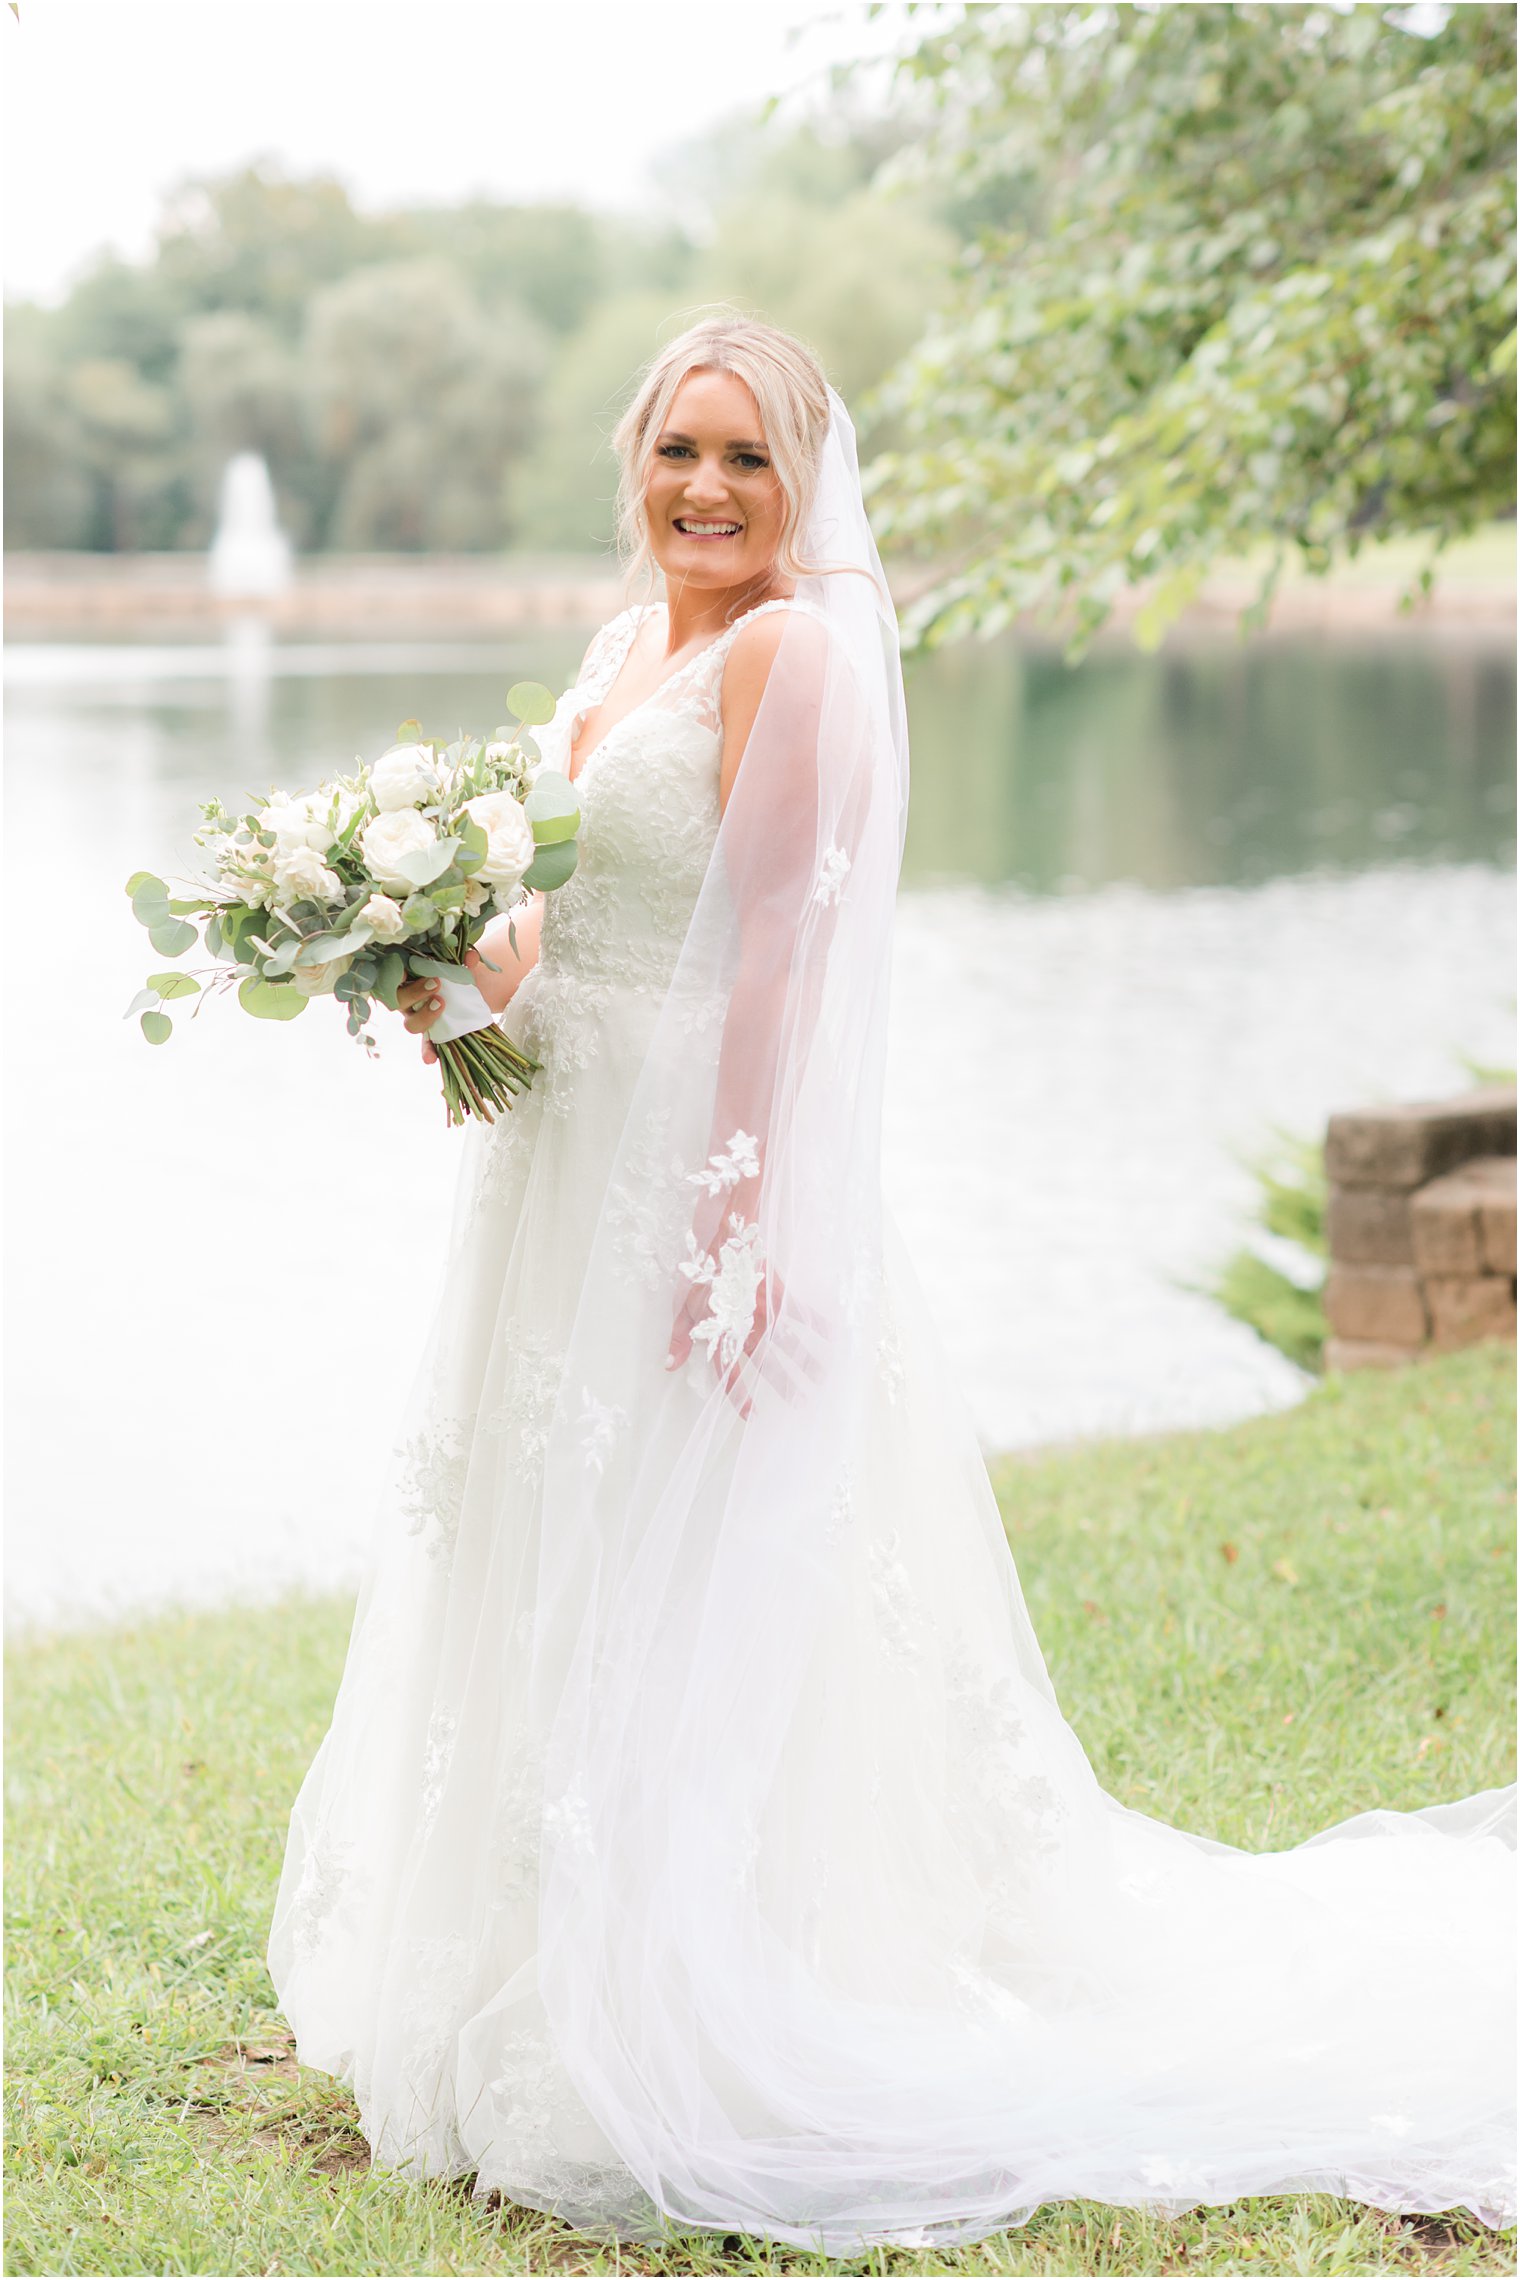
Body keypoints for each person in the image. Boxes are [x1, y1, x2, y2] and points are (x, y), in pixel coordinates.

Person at [268, 314, 1515, 2254]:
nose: (704, 489)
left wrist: (744, 1226)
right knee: (544, 1533)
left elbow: (781, 965)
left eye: (746, 460)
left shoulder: (796, 657)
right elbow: (557, 922)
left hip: (684, 1164)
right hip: (550, 1154)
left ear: (804, 483)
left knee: (684, 1556)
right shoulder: (622, 652)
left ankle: (688, 1994)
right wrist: (428, 973)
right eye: (680, 449)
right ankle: (519, 1967)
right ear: (636, 458)